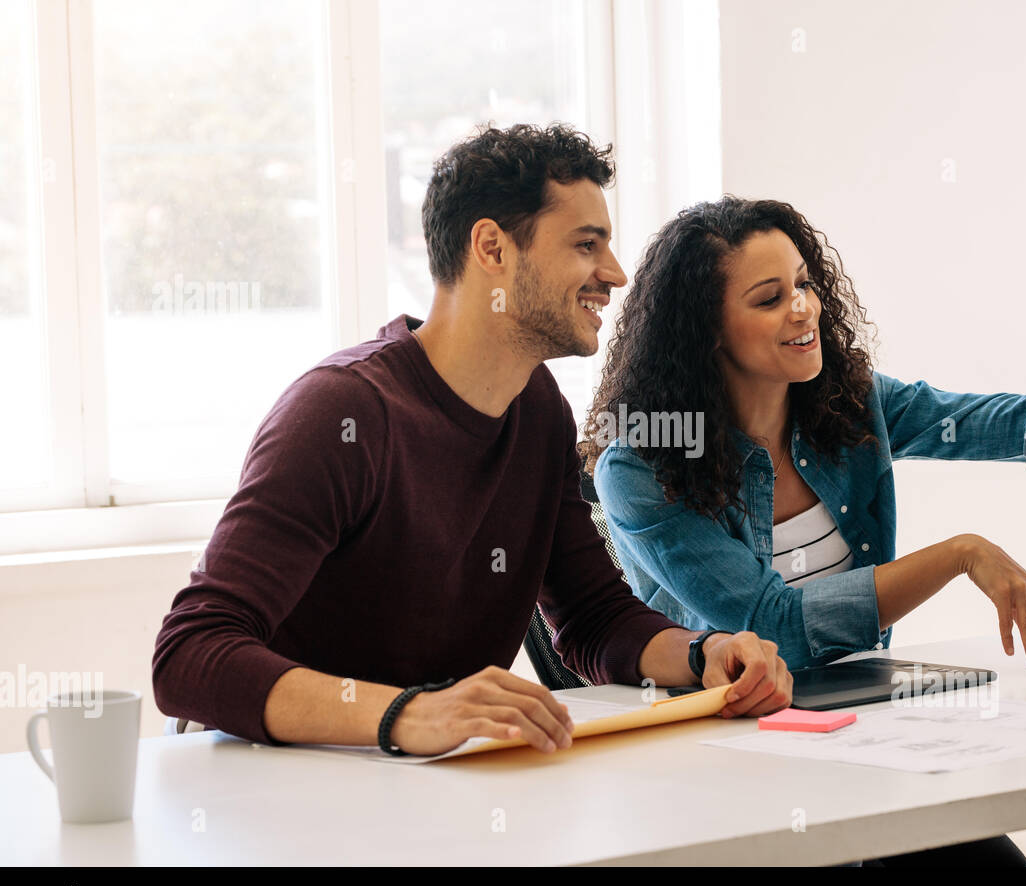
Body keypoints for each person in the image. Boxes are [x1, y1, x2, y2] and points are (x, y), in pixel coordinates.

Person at [152, 127, 792, 759]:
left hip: (429, 783)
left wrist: (703, 652)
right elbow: (188, 654)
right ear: (492, 248)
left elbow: (594, 616)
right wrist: (410, 713)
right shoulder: (341, 413)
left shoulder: (539, 410)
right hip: (282, 795)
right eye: (586, 244)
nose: (616, 274)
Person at [583, 196, 1026, 865]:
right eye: (769, 299)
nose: (803, 308)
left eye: (804, 285)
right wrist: (963, 554)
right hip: (720, 768)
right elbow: (777, 626)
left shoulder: (846, 403)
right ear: (705, 331)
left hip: (855, 732)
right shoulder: (642, 465)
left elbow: (1006, 422)